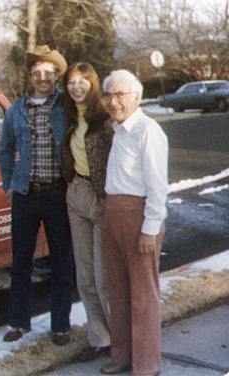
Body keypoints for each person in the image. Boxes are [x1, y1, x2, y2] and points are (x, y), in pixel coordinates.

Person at [0, 45, 74, 346]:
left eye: (48, 73)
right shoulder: (15, 110)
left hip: (57, 194)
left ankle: (60, 326)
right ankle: (19, 322)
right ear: (29, 77)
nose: (43, 78)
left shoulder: (65, 106)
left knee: (61, 262)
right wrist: (8, 184)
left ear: (55, 75)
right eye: (37, 73)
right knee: (20, 262)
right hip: (26, 195)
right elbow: (5, 149)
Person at [100, 69, 168, 376]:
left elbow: (157, 187)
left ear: (136, 97)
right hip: (113, 213)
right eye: (108, 95)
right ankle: (122, 355)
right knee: (118, 289)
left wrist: (149, 230)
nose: (113, 102)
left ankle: (146, 365)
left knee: (143, 293)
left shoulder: (148, 131)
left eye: (119, 95)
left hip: (138, 216)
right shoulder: (118, 130)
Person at [60, 62, 113, 361]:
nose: (76, 86)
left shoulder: (104, 119)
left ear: (92, 84)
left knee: (103, 277)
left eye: (82, 81)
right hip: (76, 193)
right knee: (85, 275)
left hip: (101, 197)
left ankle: (120, 339)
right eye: (71, 81)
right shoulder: (68, 117)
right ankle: (99, 338)